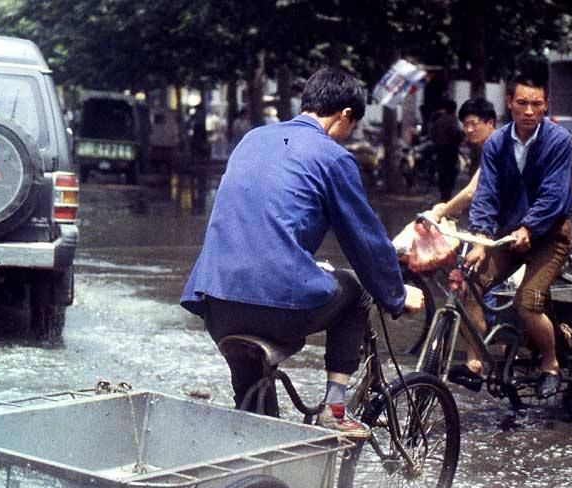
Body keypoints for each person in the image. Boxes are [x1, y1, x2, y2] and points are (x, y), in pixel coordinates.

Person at [181, 67, 424, 432]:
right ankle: (335, 410)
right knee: (357, 292)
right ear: (345, 116)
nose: (347, 136)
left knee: (259, 423)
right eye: (352, 127)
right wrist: (395, 294)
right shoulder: (333, 157)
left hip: (217, 303)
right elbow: (364, 239)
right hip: (274, 305)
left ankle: (264, 483)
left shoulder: (252, 140)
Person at [449, 74, 572, 400]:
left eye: (536, 104)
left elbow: (554, 195)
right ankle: (475, 363)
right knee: (469, 282)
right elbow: (486, 194)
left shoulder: (559, 140)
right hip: (507, 236)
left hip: (549, 235)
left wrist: (530, 228)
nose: (529, 111)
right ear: (510, 104)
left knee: (527, 303)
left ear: (545, 105)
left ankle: (550, 365)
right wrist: (479, 239)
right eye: (522, 103)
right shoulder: (496, 143)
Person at [428, 97, 498, 221]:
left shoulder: (497, 145)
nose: (469, 130)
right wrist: (454, 206)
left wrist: (441, 211)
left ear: (490, 123)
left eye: (474, 124)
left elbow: (472, 191)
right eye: (465, 125)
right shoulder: (492, 145)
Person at [429, 98, 464, 201]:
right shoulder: (452, 119)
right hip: (451, 149)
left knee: (442, 171)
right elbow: (456, 134)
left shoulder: (439, 120)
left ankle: (443, 193)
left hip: (440, 149)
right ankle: (447, 194)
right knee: (451, 171)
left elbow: (433, 134)